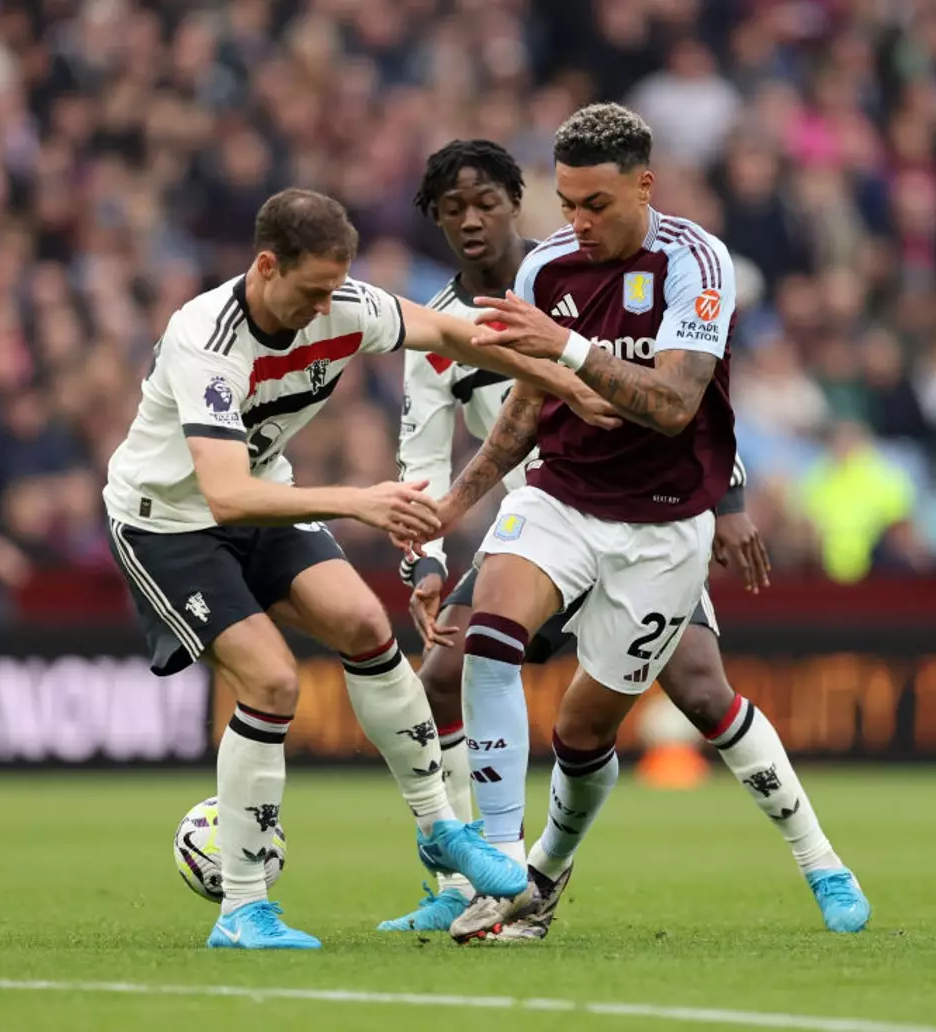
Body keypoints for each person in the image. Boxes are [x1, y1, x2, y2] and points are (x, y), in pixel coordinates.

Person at [102, 188, 618, 951]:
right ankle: (242, 910)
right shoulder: (205, 340)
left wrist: (564, 380)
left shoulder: (344, 300)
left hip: (263, 495)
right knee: (272, 682)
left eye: (334, 289)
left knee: (365, 626)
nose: (324, 308)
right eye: (311, 291)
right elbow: (223, 491)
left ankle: (442, 832)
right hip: (170, 521)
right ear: (266, 265)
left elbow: (451, 332)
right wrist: (361, 502)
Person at [380, 138, 869, 939]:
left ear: (513, 202)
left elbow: (685, 404)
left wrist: (733, 497)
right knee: (459, 659)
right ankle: (484, 869)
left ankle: (817, 862)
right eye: (451, 209)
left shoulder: (686, 263)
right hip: (555, 504)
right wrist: (435, 536)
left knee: (635, 713)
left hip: (660, 519)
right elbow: (487, 431)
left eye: (488, 204)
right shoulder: (450, 326)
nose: (575, 221)